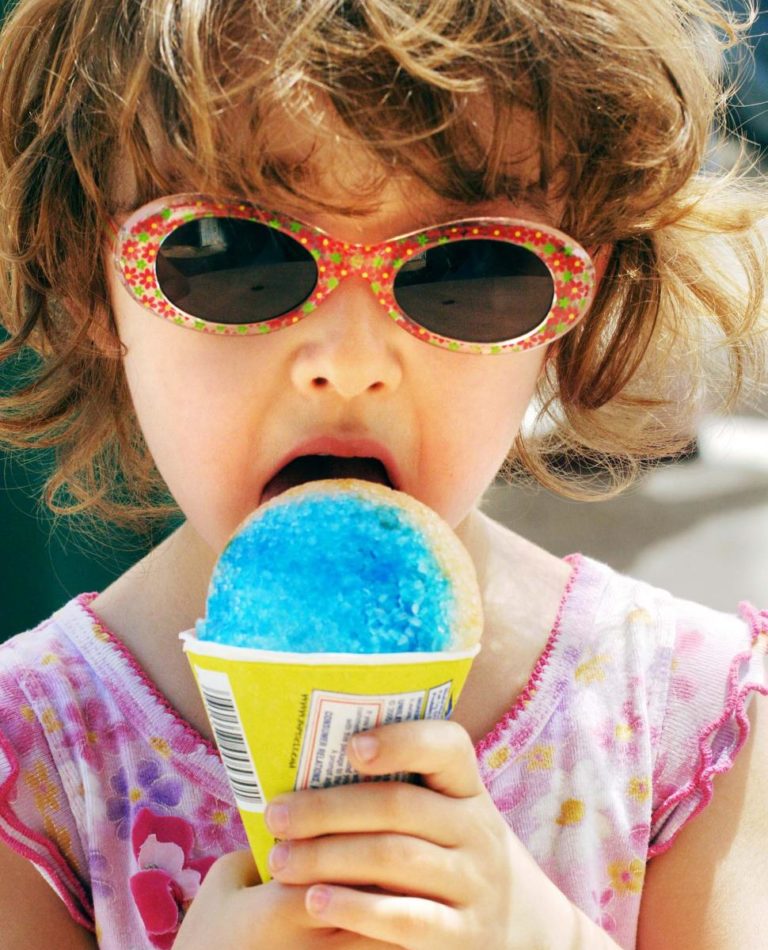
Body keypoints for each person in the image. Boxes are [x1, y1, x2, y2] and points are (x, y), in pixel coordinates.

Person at [0, 0, 766, 947]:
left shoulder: (690, 723)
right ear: (89, 280)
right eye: (234, 253)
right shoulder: (30, 766)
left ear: (578, 304)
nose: (351, 359)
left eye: (473, 266)